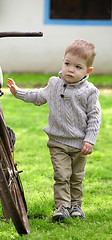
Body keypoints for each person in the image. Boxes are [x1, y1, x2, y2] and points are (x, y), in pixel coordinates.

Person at [7, 39, 101, 221]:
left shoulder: (90, 91)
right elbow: (38, 96)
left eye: (77, 67)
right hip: (58, 142)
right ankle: (62, 207)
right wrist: (18, 92)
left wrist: (89, 140)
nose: (70, 70)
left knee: (76, 177)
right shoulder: (54, 84)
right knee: (62, 175)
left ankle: (76, 206)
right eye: (67, 64)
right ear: (63, 61)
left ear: (88, 71)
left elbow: (95, 117)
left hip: (80, 145)